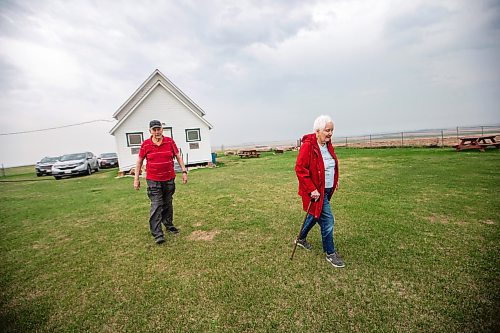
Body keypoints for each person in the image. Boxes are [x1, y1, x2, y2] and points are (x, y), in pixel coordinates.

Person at [294, 115, 345, 268]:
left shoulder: (327, 144)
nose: (330, 134)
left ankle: (300, 239)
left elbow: (331, 164)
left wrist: (334, 180)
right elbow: (300, 169)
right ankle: (330, 253)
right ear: (317, 131)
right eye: (327, 130)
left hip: (327, 189)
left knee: (315, 215)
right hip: (317, 191)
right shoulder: (308, 145)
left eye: (332, 130)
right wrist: (312, 189)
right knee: (328, 220)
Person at [134, 120, 188, 244]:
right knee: (157, 204)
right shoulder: (146, 144)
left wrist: (184, 172)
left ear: (162, 129)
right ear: (150, 131)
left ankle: (168, 225)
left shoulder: (170, 141)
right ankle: (158, 234)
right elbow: (139, 161)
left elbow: (178, 157)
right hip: (153, 180)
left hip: (169, 179)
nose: (157, 132)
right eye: (154, 130)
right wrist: (136, 179)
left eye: (159, 129)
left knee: (168, 203)